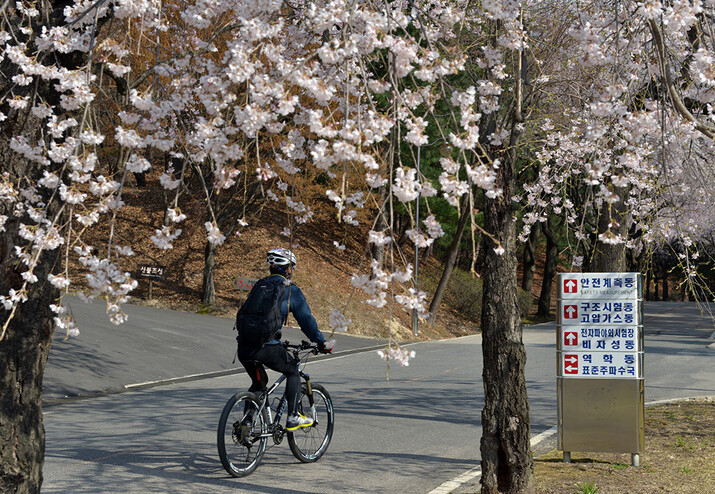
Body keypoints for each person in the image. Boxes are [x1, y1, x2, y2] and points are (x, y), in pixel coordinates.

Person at [236, 248, 331, 431]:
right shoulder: (290, 289)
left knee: (258, 383)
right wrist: (321, 342)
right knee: (293, 370)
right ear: (288, 268)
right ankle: (294, 416)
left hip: (244, 347)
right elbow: (306, 321)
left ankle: (247, 423)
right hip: (266, 348)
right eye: (292, 267)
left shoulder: (260, 285)